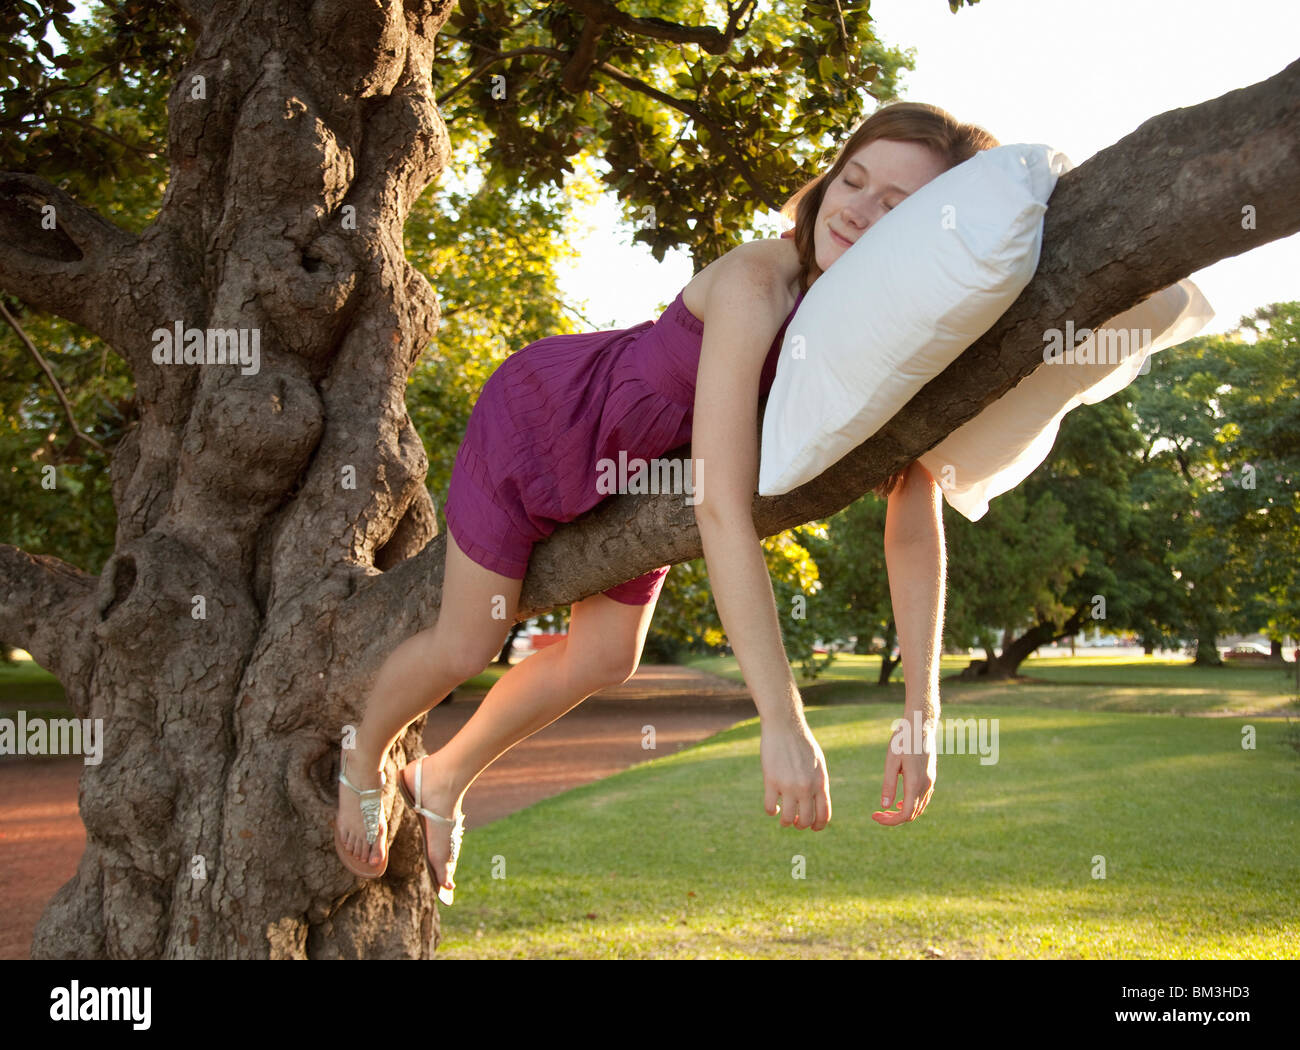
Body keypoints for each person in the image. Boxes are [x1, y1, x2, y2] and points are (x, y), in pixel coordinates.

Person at [334, 101, 1000, 900]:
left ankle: (439, 778)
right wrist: (782, 721)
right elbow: (722, 508)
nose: (858, 207)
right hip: (551, 424)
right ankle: (363, 756)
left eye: (894, 205)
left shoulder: (892, 336)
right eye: (852, 179)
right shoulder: (763, 279)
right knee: (469, 643)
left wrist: (922, 713)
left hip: (649, 481)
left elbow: (913, 516)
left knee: (609, 658)